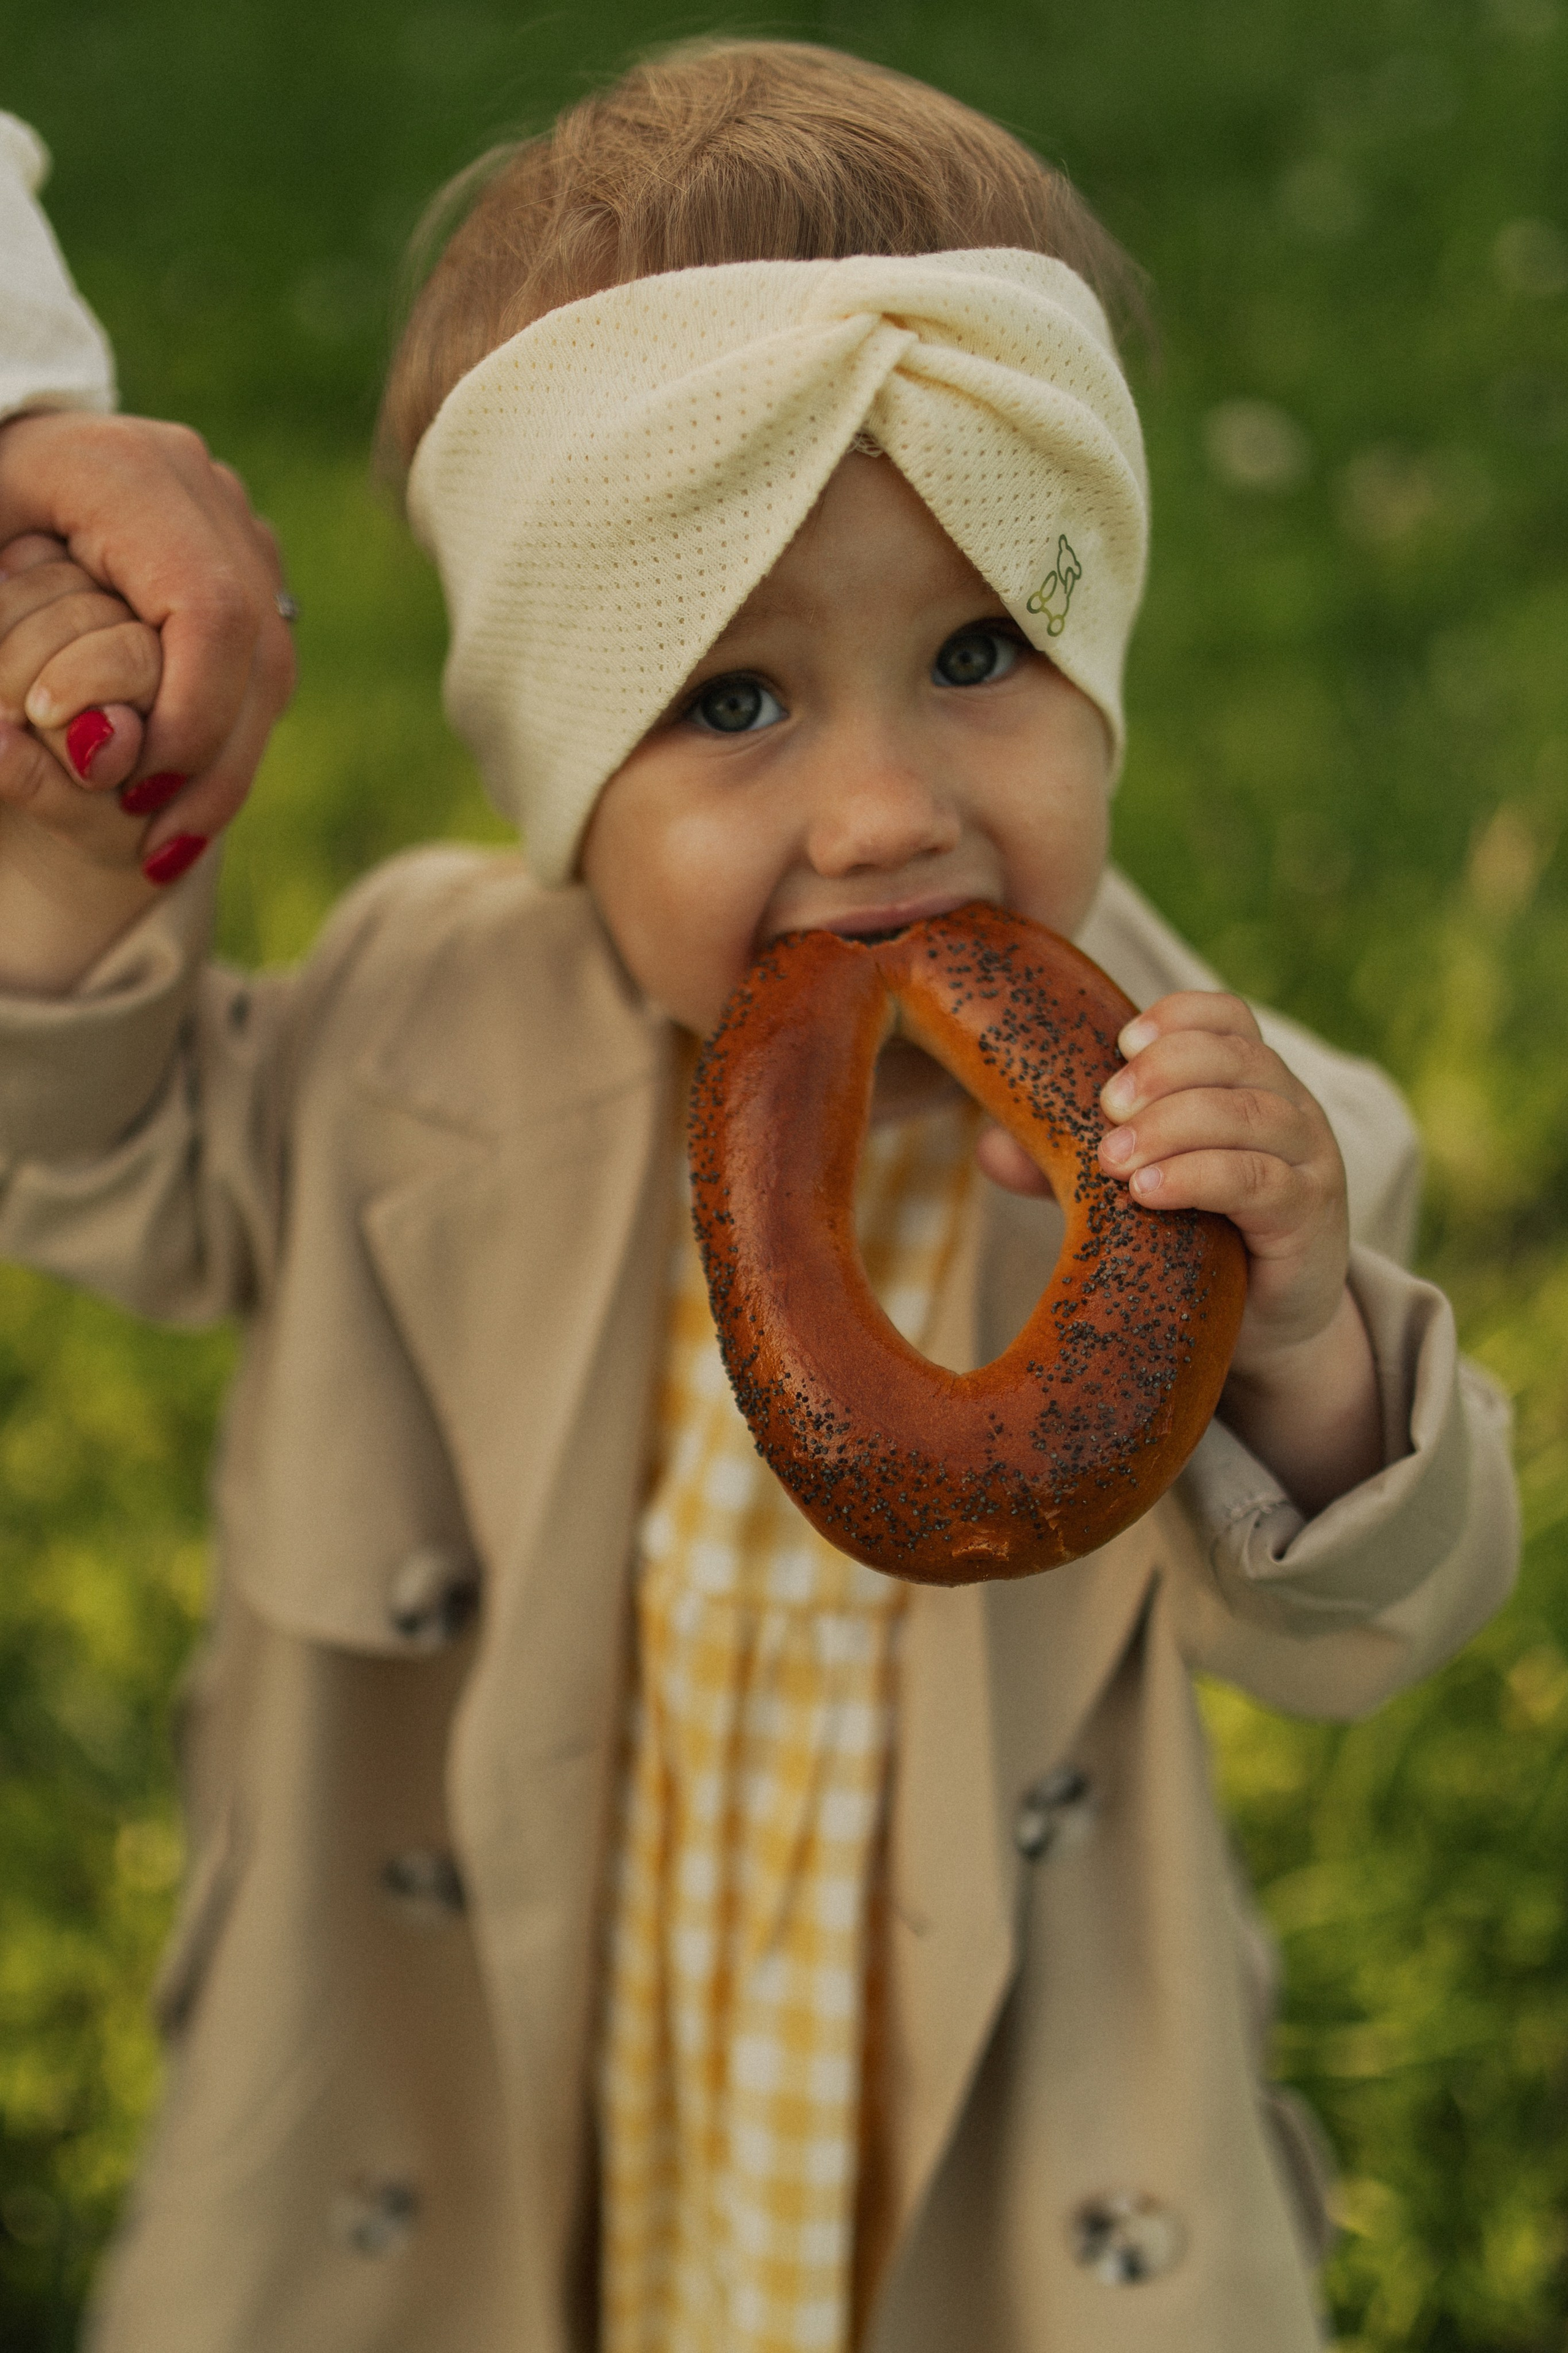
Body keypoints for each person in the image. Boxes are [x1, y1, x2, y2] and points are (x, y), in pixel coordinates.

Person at [0, 43, 1517, 2353]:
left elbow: (1362, 1633)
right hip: (481, 2123)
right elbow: (106, 1163)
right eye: (734, 700)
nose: (888, 807)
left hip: (957, 2183)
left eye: (981, 653)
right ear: (560, 763)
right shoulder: (416, 1024)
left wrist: (1304, 1339)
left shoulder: (1221, 1130)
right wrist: (64, 896)